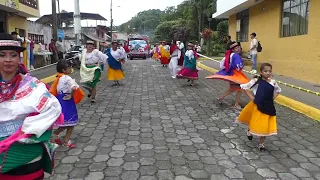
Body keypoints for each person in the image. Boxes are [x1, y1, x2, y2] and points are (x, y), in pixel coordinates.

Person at [0, 33, 62, 179]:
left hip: (26, 152)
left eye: (13, 55)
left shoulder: (32, 84)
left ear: (19, 58)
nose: (8, 60)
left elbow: (53, 108)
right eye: (2, 55)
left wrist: (26, 130)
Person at [237, 63, 281, 151]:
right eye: (265, 71)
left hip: (268, 106)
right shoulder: (256, 81)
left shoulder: (273, 82)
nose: (268, 73)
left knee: (265, 125)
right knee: (255, 121)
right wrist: (252, 98)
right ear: (261, 72)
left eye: (269, 71)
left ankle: (261, 144)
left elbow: (278, 90)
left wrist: (272, 99)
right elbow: (244, 87)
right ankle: (250, 131)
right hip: (258, 105)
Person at [50, 60, 84, 148]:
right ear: (64, 70)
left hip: (60, 100)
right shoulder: (67, 78)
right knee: (71, 123)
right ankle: (66, 140)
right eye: (69, 68)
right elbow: (74, 87)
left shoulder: (59, 77)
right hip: (67, 101)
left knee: (64, 122)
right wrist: (70, 96)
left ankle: (55, 134)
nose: (70, 69)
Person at [206, 41, 249, 109]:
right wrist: (239, 67)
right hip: (236, 75)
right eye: (236, 48)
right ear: (233, 49)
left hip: (231, 74)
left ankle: (221, 98)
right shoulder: (235, 55)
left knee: (234, 88)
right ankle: (238, 104)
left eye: (239, 47)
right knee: (241, 88)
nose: (238, 49)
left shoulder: (229, 55)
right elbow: (239, 66)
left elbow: (221, 65)